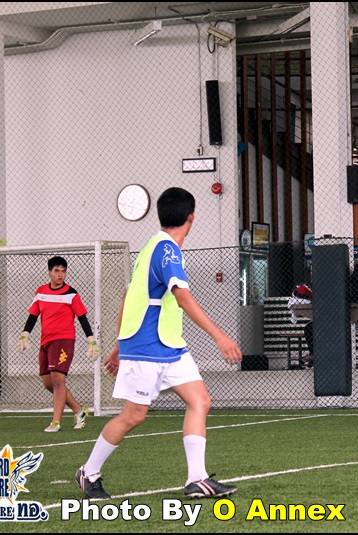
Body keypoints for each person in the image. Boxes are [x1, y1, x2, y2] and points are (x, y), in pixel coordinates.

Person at [75, 187, 243, 500]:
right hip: (147, 346)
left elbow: (129, 296)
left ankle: (197, 479)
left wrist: (118, 344)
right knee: (133, 416)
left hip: (169, 346)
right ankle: (89, 472)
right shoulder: (167, 251)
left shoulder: (151, 247)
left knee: (200, 400)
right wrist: (219, 336)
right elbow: (182, 297)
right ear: (192, 217)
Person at [17, 256, 100, 433]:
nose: (60, 274)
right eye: (56, 271)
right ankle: (79, 410)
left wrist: (91, 340)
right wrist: (25, 335)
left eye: (63, 271)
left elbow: (82, 318)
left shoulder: (71, 294)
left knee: (58, 381)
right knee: (48, 383)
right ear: (49, 272)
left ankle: (56, 422)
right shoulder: (41, 292)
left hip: (64, 340)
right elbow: (33, 316)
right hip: (45, 342)